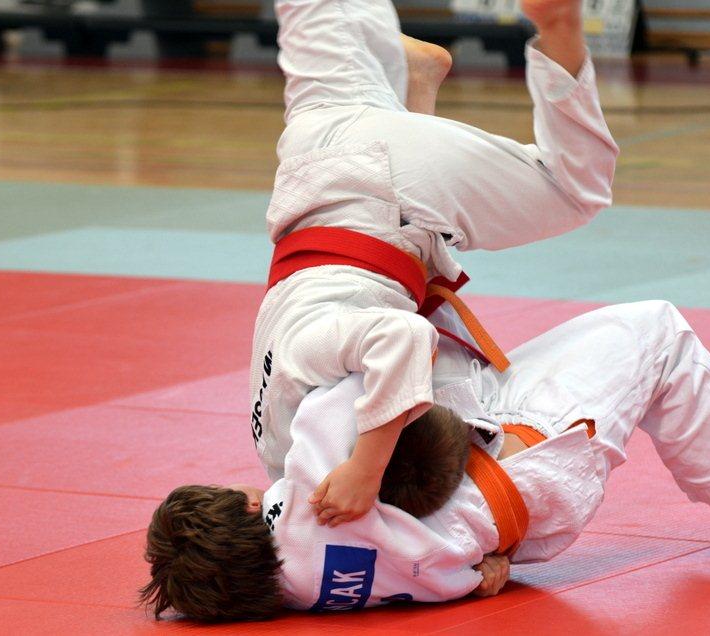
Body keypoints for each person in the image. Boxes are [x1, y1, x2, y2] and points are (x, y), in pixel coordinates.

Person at [140, 301, 710, 620]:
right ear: (244, 506)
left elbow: (458, 580)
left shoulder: (310, 592)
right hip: (529, 459)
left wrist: (486, 577)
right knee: (657, 331)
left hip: (521, 524)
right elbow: (364, 383)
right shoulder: (302, 496)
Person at [249, 0, 619, 531]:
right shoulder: (272, 439)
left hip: (388, 191)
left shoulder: (308, 468)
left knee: (575, 191)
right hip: (313, 147)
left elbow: (403, 339)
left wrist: (366, 471)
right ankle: (412, 85)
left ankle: (558, 29)